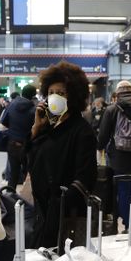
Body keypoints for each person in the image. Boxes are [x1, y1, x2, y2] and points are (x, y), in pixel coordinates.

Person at [27, 60, 97, 248]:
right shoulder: (47, 127)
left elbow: (86, 176)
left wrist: (60, 203)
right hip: (42, 211)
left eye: (61, 93)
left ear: (73, 96)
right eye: (50, 93)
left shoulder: (82, 131)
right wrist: (35, 130)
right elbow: (28, 161)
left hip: (64, 216)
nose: (54, 97)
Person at [97, 80, 131, 176]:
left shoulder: (111, 110)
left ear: (117, 93)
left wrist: (99, 149)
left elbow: (103, 135)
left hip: (117, 158)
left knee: (118, 185)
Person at [0, 84, 36, 189]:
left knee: (13, 175)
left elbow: (3, 123)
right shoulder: (34, 109)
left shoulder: (11, 104)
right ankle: (25, 201)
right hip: (27, 147)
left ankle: (10, 198)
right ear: (33, 96)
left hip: (12, 144)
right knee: (28, 175)